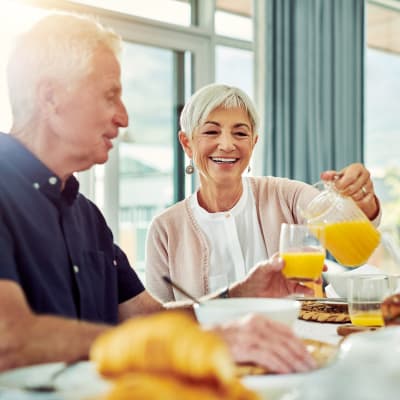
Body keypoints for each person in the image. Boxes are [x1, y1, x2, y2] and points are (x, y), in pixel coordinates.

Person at [0, 12, 315, 374]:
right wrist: (206, 340)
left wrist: (240, 294)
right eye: (110, 96)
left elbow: (145, 319)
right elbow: (8, 339)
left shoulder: (87, 216)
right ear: (50, 96)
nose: (123, 117)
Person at [145, 83, 381, 302]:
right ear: (187, 143)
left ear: (253, 143)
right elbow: (159, 322)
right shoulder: (165, 229)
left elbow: (348, 234)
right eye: (211, 132)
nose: (227, 145)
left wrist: (362, 199)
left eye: (240, 133)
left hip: (299, 342)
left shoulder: (287, 196)